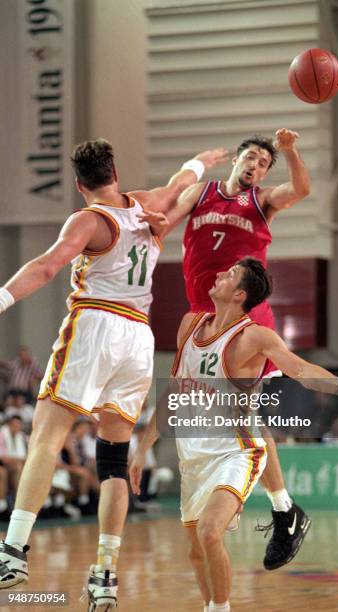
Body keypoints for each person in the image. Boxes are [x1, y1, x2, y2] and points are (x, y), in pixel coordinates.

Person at [0, 137, 228, 608]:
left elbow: (46, 268)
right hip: (138, 339)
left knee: (46, 435)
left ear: (80, 183)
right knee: (111, 459)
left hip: (96, 325)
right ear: (115, 173)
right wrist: (199, 161)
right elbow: (182, 183)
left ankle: (13, 550)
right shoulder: (147, 204)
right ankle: (105, 572)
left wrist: (2, 297)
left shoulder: (88, 219)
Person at [129, 258, 338, 612]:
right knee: (196, 551)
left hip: (237, 450)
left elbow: (297, 367)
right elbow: (174, 394)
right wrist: (142, 448)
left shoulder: (254, 336)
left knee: (210, 532)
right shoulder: (189, 325)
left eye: (229, 274)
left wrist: (337, 385)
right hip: (192, 455)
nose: (220, 273)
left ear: (239, 294)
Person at [162, 131, 312, 570]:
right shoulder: (202, 193)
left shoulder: (262, 202)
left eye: (265, 164)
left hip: (246, 319)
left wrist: (291, 150)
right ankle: (274, 508)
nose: (256, 167)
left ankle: (280, 508)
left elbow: (302, 189)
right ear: (237, 160)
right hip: (203, 316)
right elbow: (167, 219)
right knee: (209, 412)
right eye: (252, 158)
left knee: (243, 414)